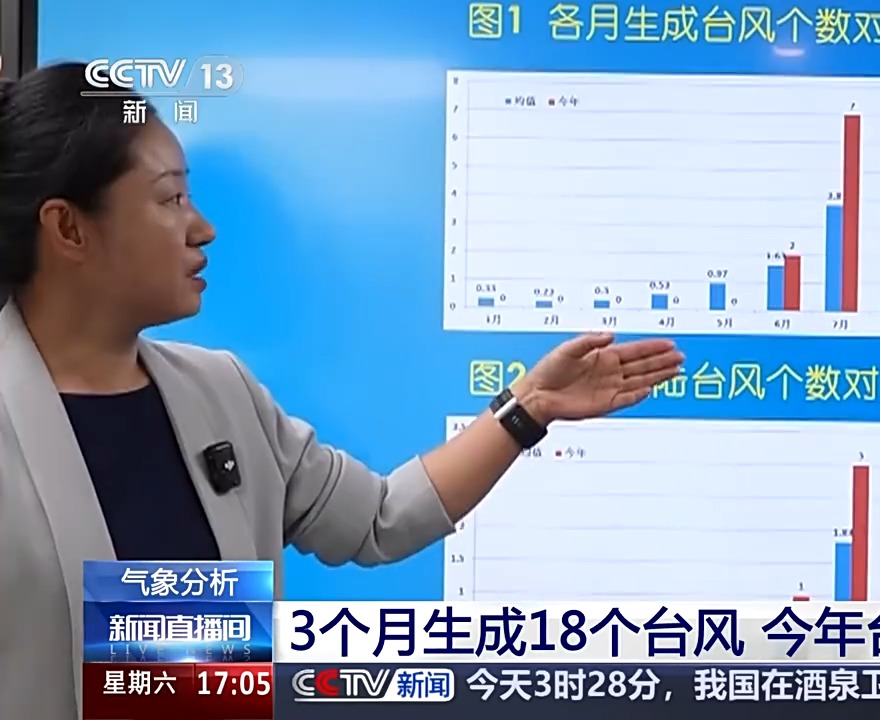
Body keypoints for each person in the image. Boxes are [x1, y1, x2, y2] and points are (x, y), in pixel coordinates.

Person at [0, 62, 683, 720]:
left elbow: (379, 519)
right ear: (68, 227)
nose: (202, 227)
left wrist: (527, 407)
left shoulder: (217, 392)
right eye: (170, 198)